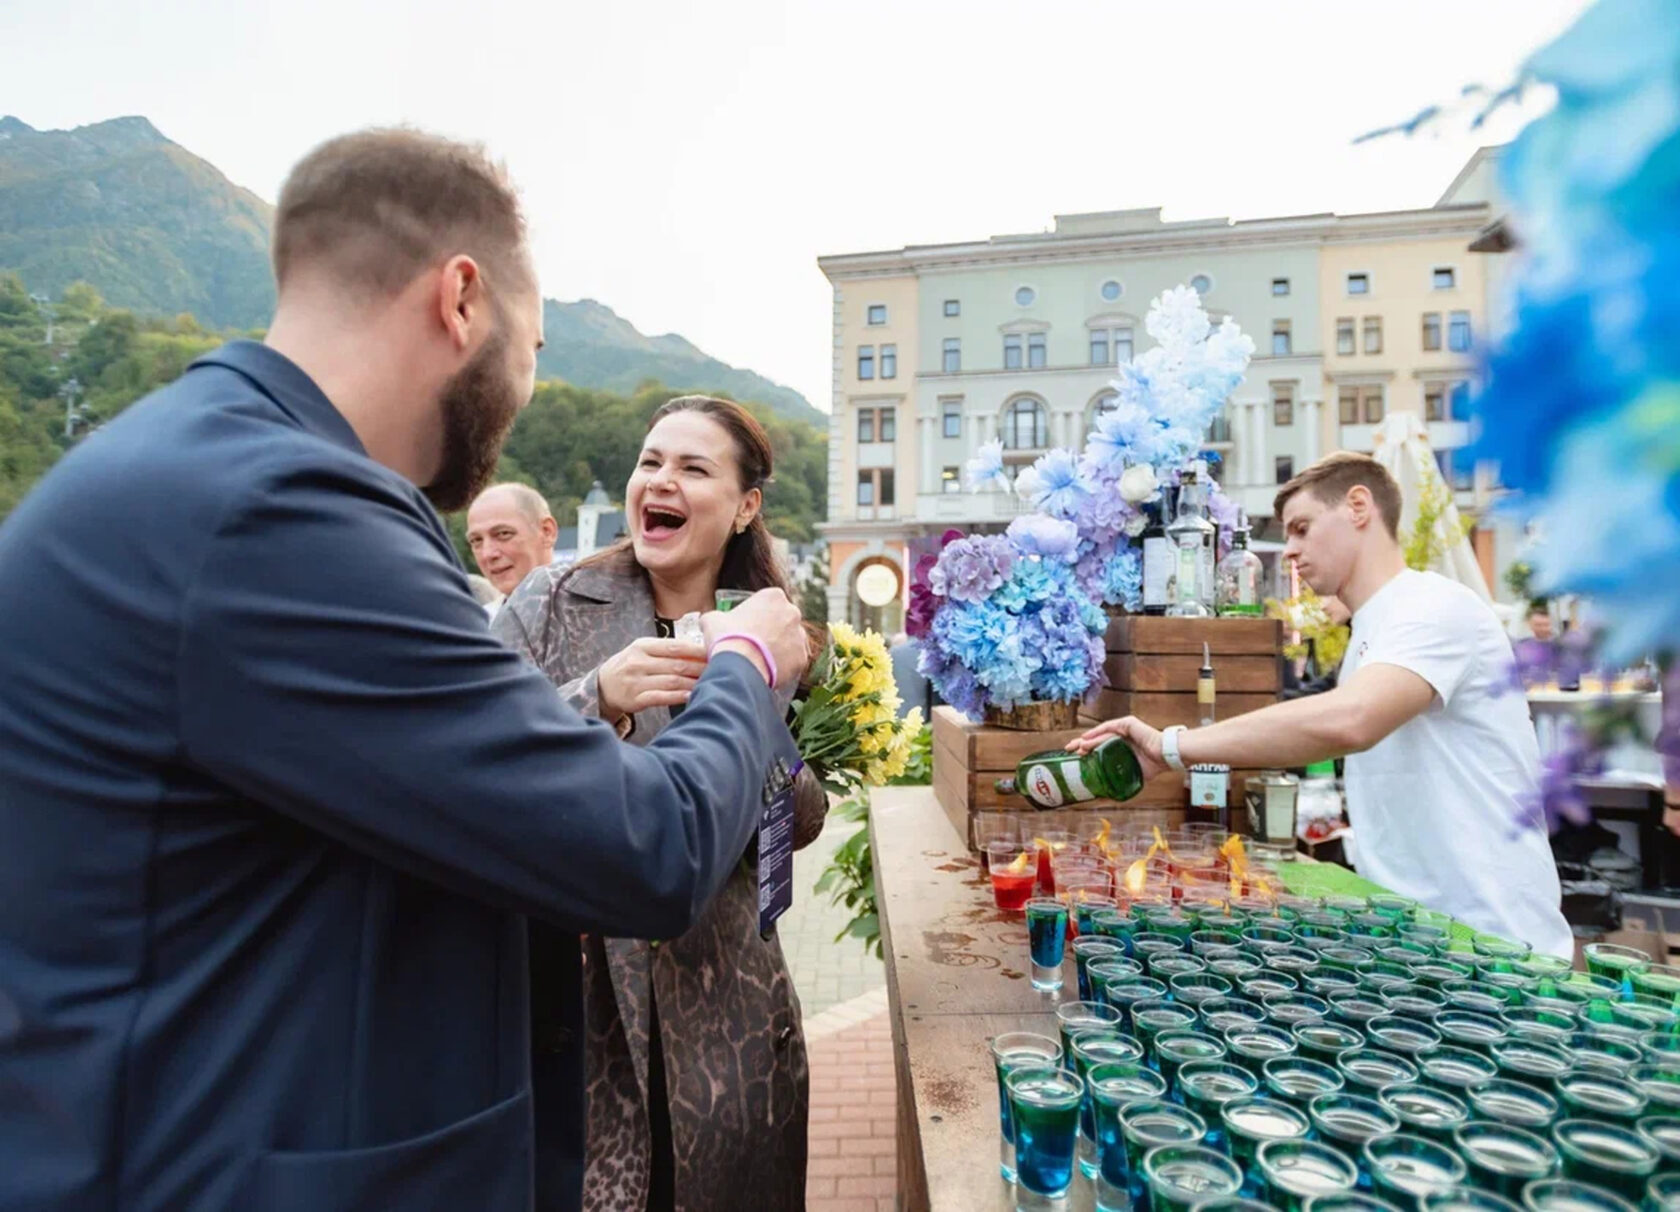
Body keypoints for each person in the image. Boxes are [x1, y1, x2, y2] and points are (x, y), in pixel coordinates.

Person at [0, 128, 811, 1212]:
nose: (525, 385)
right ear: (462, 300)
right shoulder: (280, 517)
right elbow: (642, 850)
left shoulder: (212, 468)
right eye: (531, 345)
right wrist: (752, 660)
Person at [494, 395, 826, 1212]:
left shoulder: (779, 635)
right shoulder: (549, 601)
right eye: (651, 461)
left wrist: (750, 698)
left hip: (731, 1016)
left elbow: (789, 839)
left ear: (746, 506)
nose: (661, 481)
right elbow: (480, 758)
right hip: (574, 1010)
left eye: (692, 467)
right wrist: (595, 696)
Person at [1073, 452, 1571, 958]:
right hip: (1418, 936)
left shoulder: (1434, 605)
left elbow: (1352, 719)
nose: (1289, 551)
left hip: (1493, 943)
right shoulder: (1373, 629)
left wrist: (1172, 746)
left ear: (1359, 506)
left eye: (1302, 529)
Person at [468, 480, 558, 597]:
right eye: (476, 540)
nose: (488, 554)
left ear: (547, 531)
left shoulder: (585, 610)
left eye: (503, 534)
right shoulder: (481, 615)